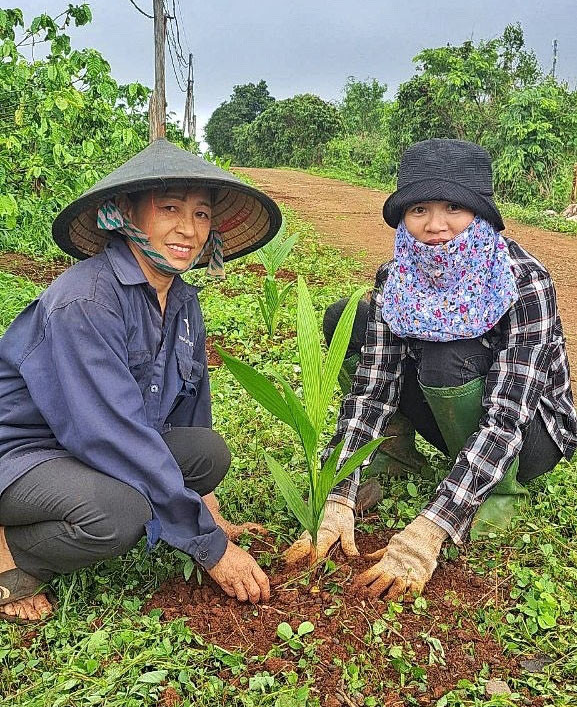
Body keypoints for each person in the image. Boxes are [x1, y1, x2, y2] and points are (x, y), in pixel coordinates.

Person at [0, 138, 282, 623]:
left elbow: (189, 408)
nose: (187, 230)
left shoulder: (184, 302)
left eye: (201, 215)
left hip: (86, 447)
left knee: (207, 452)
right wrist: (210, 548)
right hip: (25, 452)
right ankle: (10, 551)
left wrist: (208, 513)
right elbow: (110, 433)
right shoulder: (87, 300)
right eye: (170, 208)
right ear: (126, 213)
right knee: (119, 514)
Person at [285, 138, 577, 599]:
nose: (435, 226)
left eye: (454, 209)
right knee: (348, 317)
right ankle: (394, 450)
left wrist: (430, 530)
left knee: (446, 354)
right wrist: (336, 494)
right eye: (419, 209)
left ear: (480, 214)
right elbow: (372, 389)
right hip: (455, 409)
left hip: (530, 433)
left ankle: (499, 493)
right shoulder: (396, 276)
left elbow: (507, 415)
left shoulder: (524, 280)